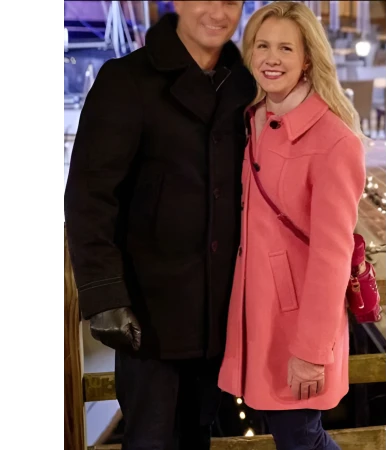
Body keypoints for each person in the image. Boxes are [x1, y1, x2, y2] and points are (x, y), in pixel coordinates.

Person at [64, 2, 255, 449]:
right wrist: (105, 295)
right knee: (149, 440)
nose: (219, 12)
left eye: (231, 1)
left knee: (198, 436)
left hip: (219, 315)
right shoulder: (126, 80)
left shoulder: (245, 84)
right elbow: (89, 196)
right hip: (149, 317)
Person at [218, 3, 367, 450]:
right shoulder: (254, 119)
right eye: (262, 45)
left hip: (298, 327)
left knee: (301, 439)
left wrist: (311, 352)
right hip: (256, 319)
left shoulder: (334, 141)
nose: (271, 58)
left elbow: (332, 257)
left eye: (286, 48)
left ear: (307, 59)